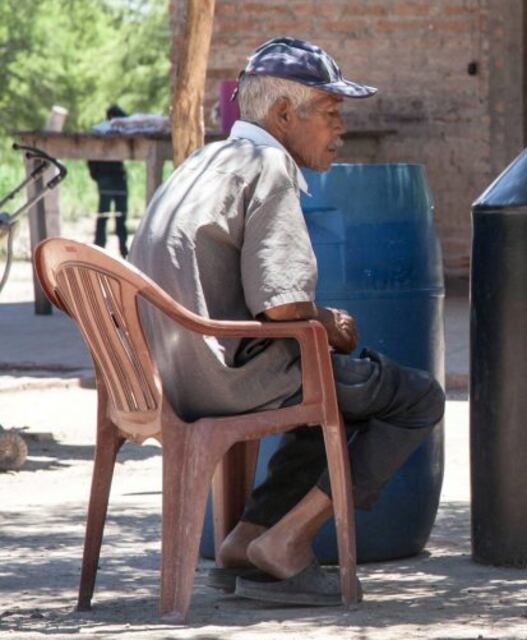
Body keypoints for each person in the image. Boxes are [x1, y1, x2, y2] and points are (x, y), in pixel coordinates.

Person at [129, 37, 445, 606]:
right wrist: (329, 320)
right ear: (282, 114)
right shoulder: (267, 163)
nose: (340, 128)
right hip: (226, 377)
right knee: (415, 397)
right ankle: (288, 541)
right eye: (330, 112)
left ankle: (246, 540)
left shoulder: (202, 160)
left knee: (326, 381)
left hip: (170, 374)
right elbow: (282, 306)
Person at [88, 104, 129, 257]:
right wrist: (97, 174)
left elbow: (90, 157)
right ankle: (112, 250)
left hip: (111, 177)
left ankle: (104, 250)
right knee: (112, 216)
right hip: (112, 177)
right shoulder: (104, 131)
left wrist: (96, 174)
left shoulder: (102, 131)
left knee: (113, 216)